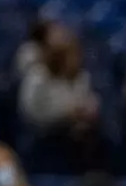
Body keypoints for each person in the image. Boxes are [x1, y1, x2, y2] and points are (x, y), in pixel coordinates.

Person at [17, 21, 104, 173]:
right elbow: (31, 112)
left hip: (74, 135)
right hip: (45, 135)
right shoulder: (38, 77)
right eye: (69, 55)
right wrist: (65, 114)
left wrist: (89, 109)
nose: (74, 59)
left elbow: (88, 101)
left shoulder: (81, 77)